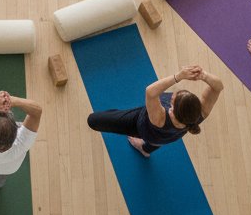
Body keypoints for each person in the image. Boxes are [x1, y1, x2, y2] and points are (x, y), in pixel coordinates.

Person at [86, 65, 222, 158]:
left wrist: (179, 76)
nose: (172, 95)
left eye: (172, 99)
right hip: (165, 138)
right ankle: (144, 149)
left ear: (171, 111)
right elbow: (218, 87)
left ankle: (142, 145)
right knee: (155, 142)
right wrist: (203, 75)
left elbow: (150, 92)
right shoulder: (199, 114)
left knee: (93, 120)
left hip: (140, 126)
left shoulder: (160, 118)